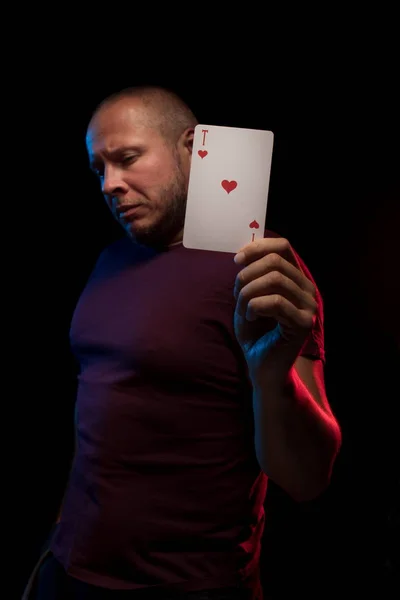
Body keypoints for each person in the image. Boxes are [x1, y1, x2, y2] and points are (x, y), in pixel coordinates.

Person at [25, 85, 342, 599]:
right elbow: (100, 418)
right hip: (67, 571)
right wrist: (57, 541)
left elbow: (307, 478)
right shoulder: (109, 260)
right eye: (98, 169)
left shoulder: (258, 272)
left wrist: (272, 375)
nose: (109, 184)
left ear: (194, 149)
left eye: (127, 159)